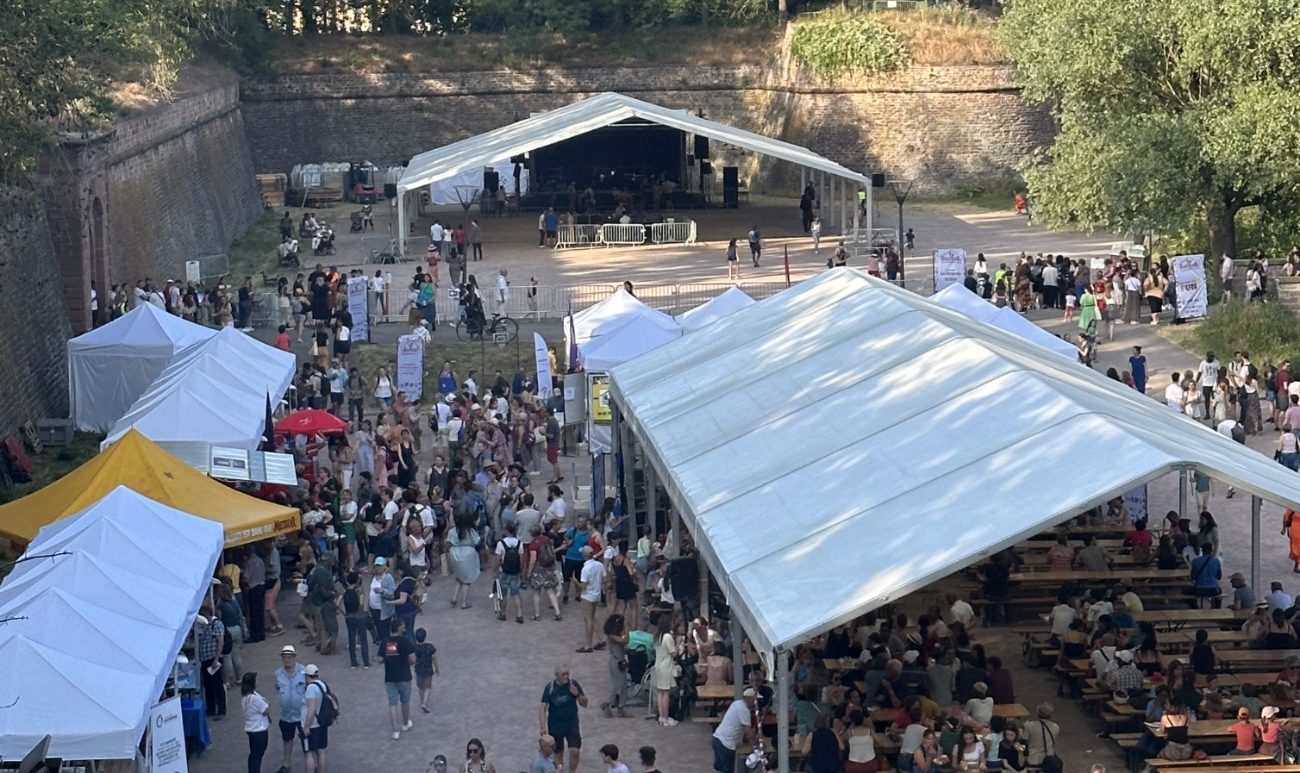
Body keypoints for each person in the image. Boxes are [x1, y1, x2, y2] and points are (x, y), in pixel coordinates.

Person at [540, 664, 588, 773]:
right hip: (555, 725)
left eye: (567, 674)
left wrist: (577, 695)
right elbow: (542, 707)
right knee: (558, 752)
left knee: (575, 751)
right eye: (563, 674)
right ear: (556, 675)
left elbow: (585, 703)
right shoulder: (550, 687)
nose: (566, 677)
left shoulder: (573, 684)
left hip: (571, 723)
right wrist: (542, 726)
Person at [382, 618, 417, 740]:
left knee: (392, 703)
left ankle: (395, 731)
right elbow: (412, 659)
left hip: (390, 677)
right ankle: (405, 723)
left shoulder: (386, 642)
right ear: (399, 628)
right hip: (404, 676)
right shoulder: (406, 642)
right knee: (405, 701)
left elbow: (380, 658)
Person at [275, 644, 307, 773]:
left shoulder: (303, 672)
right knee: (287, 740)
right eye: (284, 657)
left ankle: (310, 765)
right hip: (286, 715)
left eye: (289, 657)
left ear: (294, 657)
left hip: (301, 715)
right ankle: (286, 765)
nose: (286, 660)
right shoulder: (278, 674)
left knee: (306, 741)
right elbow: (277, 688)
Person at [713, 688, 757, 773]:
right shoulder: (744, 710)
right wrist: (756, 742)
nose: (756, 702)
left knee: (718, 769)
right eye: (754, 699)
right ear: (748, 698)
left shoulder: (737, 703)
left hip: (717, 738)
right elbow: (748, 731)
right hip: (726, 743)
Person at [576, 546, 606, 653]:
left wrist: (575, 582)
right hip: (596, 594)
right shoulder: (599, 565)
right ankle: (601, 638)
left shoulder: (585, 569)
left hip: (587, 596)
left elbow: (583, 586)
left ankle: (588, 645)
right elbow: (604, 578)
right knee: (593, 617)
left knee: (588, 619)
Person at [601, 613, 632, 718]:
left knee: (623, 686)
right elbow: (625, 640)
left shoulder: (616, 635)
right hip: (615, 662)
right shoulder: (611, 636)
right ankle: (608, 703)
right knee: (618, 685)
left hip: (620, 661)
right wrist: (627, 629)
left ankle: (621, 707)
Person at [495, 521, 527, 623]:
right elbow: (522, 560)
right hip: (515, 571)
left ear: (506, 531)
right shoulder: (519, 543)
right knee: (516, 593)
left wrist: (495, 570)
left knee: (503, 594)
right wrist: (522, 571)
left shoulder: (501, 543)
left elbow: (499, 560)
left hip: (504, 571)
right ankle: (519, 614)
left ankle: (503, 613)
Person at [301, 664, 328, 773]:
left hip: (312, 725)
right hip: (322, 722)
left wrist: (306, 726)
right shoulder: (322, 685)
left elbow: (310, 710)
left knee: (309, 752)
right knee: (320, 750)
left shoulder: (310, 689)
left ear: (307, 676)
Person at [652, 615, 679, 726]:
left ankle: (661, 717)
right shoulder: (667, 637)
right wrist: (678, 642)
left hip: (658, 665)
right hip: (666, 667)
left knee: (660, 693)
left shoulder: (657, 636)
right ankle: (665, 717)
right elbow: (673, 653)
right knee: (666, 693)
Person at [241, 672, 270, 773]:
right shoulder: (253, 699)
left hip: (252, 729)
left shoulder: (247, 697)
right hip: (258, 730)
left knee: (254, 754)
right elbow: (266, 710)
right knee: (257, 755)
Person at [1021, 703, 1059, 770]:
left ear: (1038, 714)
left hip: (1033, 759)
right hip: (1049, 758)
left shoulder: (1030, 725)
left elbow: (1023, 740)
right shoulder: (1056, 727)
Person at [415, 627, 440, 714]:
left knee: (421, 687)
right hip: (428, 669)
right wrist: (437, 668)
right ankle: (425, 703)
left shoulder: (415, 647)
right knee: (428, 687)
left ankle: (422, 701)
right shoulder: (430, 647)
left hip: (418, 669)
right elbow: (434, 658)